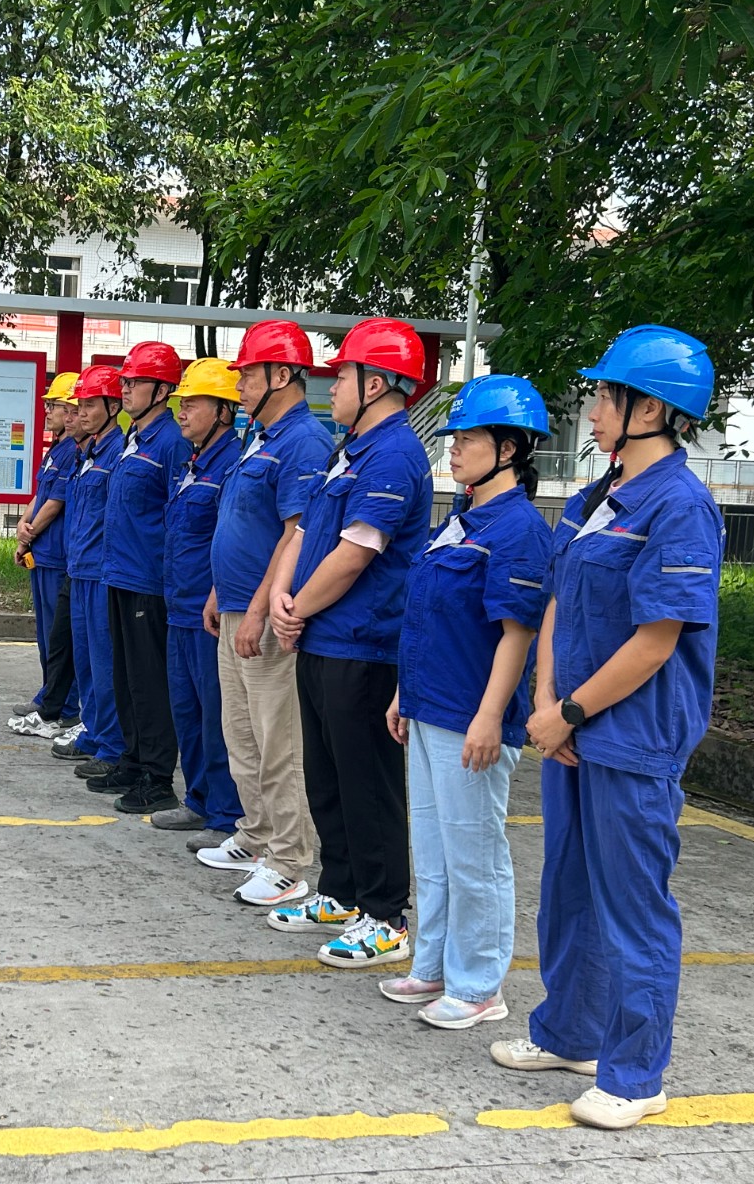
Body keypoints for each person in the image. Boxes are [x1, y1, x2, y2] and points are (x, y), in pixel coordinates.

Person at [492, 326, 723, 1131]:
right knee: (569, 892)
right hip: (572, 729)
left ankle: (634, 1075)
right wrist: (547, 702)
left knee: (632, 909)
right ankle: (569, 1034)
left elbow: (657, 640)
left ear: (649, 410)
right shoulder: (599, 497)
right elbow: (559, 598)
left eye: (603, 397)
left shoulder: (681, 506)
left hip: (632, 738)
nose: (591, 412)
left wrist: (570, 711)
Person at [379, 375, 554, 1030]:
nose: (453, 448)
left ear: (509, 449)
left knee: (475, 854)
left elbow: (518, 632)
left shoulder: (519, 531)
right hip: (430, 706)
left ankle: (480, 985)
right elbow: (429, 615)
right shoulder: (462, 520)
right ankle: (434, 966)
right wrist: (405, 691)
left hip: (470, 717)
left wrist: (489, 717)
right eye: (453, 438)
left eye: (468, 438)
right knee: (434, 848)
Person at [268, 317, 433, 961]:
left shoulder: (394, 454)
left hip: (363, 643)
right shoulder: (351, 449)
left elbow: (357, 552)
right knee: (328, 776)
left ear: (378, 383)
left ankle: (386, 913)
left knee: (368, 782)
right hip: (323, 637)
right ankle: (341, 890)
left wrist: (295, 609)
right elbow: (307, 533)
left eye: (343, 375)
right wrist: (286, 602)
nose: (332, 386)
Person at [195, 320, 334, 905]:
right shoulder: (261, 437)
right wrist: (219, 592)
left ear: (282, 375)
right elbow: (242, 524)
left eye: (249, 374)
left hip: (265, 615)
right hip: (234, 605)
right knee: (242, 732)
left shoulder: (304, 442)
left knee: (279, 740)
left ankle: (290, 859)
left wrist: (255, 610)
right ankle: (256, 836)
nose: (240, 385)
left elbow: (294, 534)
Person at [152, 358, 246, 847]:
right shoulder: (194, 463)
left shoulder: (231, 464)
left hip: (208, 612)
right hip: (179, 605)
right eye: (180, 403)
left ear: (224, 412)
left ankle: (226, 814)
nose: (182, 412)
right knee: (186, 711)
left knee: (216, 715)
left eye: (192, 403)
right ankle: (198, 799)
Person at [97, 342, 192, 814]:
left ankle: (157, 776)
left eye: (135, 382)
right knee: (127, 676)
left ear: (162, 390)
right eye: (126, 381)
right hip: (120, 573)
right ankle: (132, 760)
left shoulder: (172, 443)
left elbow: (178, 514)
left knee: (150, 681)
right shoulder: (134, 438)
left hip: (148, 580)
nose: (126, 388)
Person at [61, 365, 128, 782]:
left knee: (105, 664)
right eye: (79, 405)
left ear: (113, 407)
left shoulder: (117, 451)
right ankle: (94, 730)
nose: (81, 413)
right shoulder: (91, 452)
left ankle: (112, 743)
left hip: (101, 572)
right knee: (86, 661)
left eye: (89, 405)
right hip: (80, 569)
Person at [10, 371, 82, 737]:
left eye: (54, 405)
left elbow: (56, 502)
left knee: (58, 636)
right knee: (46, 634)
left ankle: (65, 703)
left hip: (56, 555)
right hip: (42, 552)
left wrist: (30, 531)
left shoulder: (73, 452)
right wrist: (23, 528)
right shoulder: (57, 450)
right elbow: (41, 494)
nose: (49, 411)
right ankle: (49, 693)